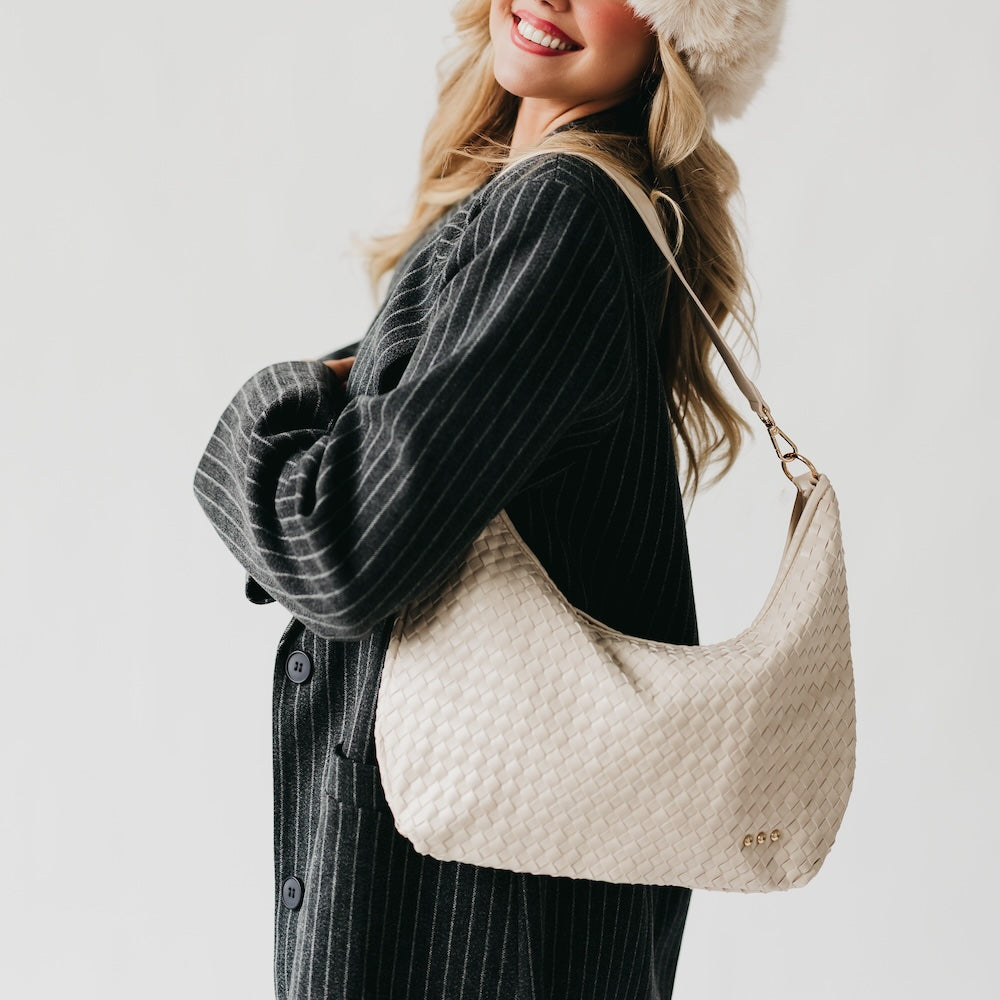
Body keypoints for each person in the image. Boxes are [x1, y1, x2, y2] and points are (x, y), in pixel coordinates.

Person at [192, 1, 787, 997]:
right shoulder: (572, 208)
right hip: (488, 907)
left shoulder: (560, 213)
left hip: (454, 921)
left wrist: (264, 412)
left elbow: (342, 550)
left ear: (676, 34)